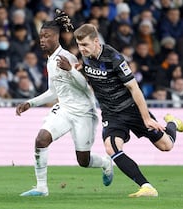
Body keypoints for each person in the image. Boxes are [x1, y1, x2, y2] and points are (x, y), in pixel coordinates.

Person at [71, 24, 183, 198]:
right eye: (79, 45)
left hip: (132, 110)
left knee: (166, 146)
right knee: (111, 147)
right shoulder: (85, 58)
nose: (82, 49)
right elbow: (94, 77)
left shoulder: (115, 58)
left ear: (96, 41)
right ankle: (146, 186)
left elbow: (135, 89)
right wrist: (81, 71)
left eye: (85, 45)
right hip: (111, 114)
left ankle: (172, 123)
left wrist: (146, 118)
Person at [15, 10, 113, 197]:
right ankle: (42, 188)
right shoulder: (50, 60)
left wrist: (71, 70)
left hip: (84, 112)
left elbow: (86, 87)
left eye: (47, 36)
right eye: (41, 36)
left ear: (57, 37)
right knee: (41, 139)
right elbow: (54, 92)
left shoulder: (68, 57)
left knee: (83, 160)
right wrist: (30, 103)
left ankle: (106, 163)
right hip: (64, 109)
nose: (43, 40)